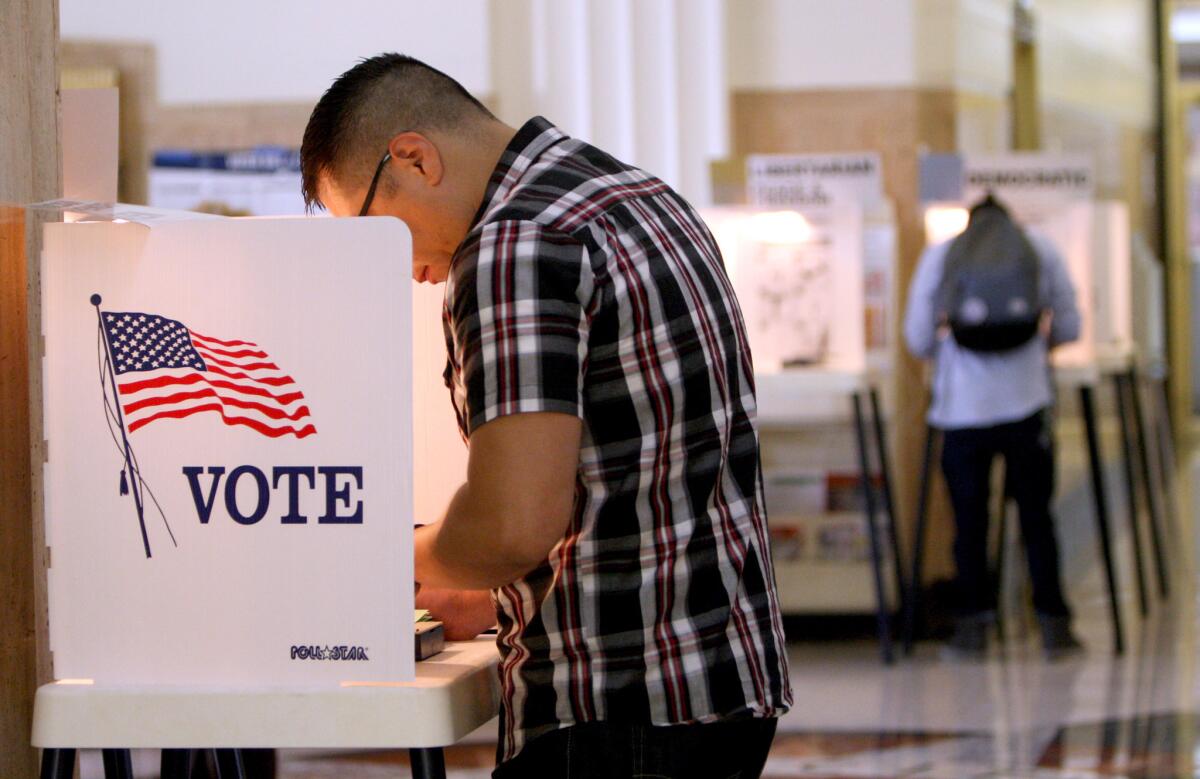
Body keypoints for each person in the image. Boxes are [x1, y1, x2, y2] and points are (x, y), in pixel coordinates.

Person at [300, 54, 792, 777]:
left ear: (413, 157)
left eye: (374, 226)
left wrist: (383, 548)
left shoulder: (516, 244)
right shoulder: (637, 194)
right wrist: (487, 593)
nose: (394, 264)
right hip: (721, 679)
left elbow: (510, 526)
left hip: (618, 708)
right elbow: (634, 479)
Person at [903, 198, 1085, 661]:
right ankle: (1054, 625)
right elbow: (1070, 322)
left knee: (969, 521)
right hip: (1027, 402)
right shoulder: (1040, 247)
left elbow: (917, 334)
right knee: (1036, 517)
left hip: (962, 408)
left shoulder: (943, 254)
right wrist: (1039, 345)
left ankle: (972, 628)